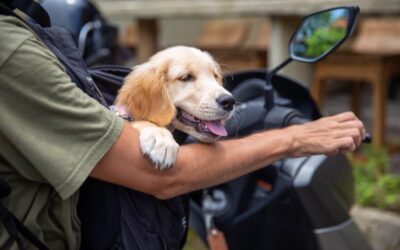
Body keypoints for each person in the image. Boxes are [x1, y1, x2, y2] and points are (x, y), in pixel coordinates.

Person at [0, 13, 365, 250]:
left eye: (215, 76)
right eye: (186, 79)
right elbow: (161, 174)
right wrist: (293, 140)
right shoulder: (11, 47)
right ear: (154, 92)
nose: (222, 95)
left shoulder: (20, 24)